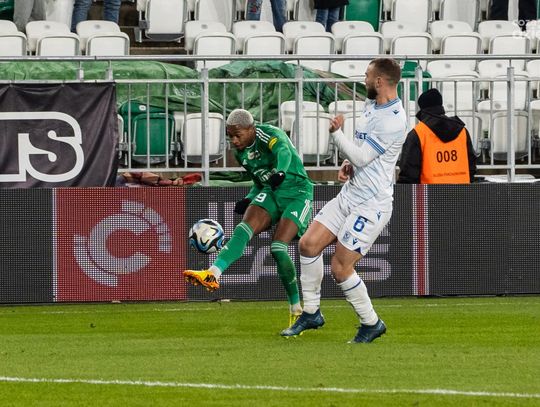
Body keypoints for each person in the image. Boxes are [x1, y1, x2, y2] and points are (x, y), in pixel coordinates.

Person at [281, 58, 407, 343]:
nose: (364, 80)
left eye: (367, 76)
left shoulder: (394, 119)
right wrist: (349, 165)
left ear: (379, 81)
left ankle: (371, 323)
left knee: (340, 268)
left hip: (371, 204)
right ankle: (311, 312)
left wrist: (336, 134)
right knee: (308, 244)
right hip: (350, 193)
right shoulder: (372, 106)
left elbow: (363, 156)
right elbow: (364, 154)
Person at [184, 109, 314, 329]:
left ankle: (296, 309)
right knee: (243, 228)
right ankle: (212, 273)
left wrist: (281, 172)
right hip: (272, 190)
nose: (234, 141)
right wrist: (248, 198)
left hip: (297, 192)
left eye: (238, 135)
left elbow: (284, 151)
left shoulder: (269, 134)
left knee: (278, 248)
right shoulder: (241, 153)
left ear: (251, 129)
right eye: (230, 136)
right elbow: (259, 180)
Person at [398, 88, 477, 184]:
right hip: (462, 191)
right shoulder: (462, 131)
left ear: (422, 108)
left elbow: (409, 172)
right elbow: (471, 166)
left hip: (429, 192)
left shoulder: (418, 133)